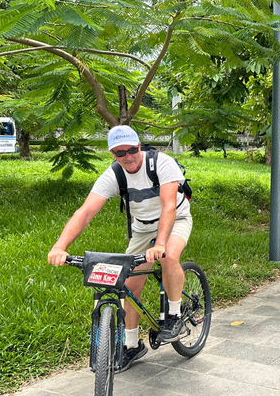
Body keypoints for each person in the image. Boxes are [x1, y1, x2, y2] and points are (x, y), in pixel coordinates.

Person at [47, 125, 193, 372]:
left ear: (140, 146)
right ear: (113, 154)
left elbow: (169, 206)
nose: (128, 156)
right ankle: (132, 345)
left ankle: (175, 315)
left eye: (132, 149)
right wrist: (60, 246)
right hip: (143, 229)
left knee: (168, 256)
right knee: (129, 286)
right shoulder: (115, 174)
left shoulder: (162, 163)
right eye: (120, 152)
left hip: (176, 219)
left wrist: (159, 244)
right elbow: (85, 212)